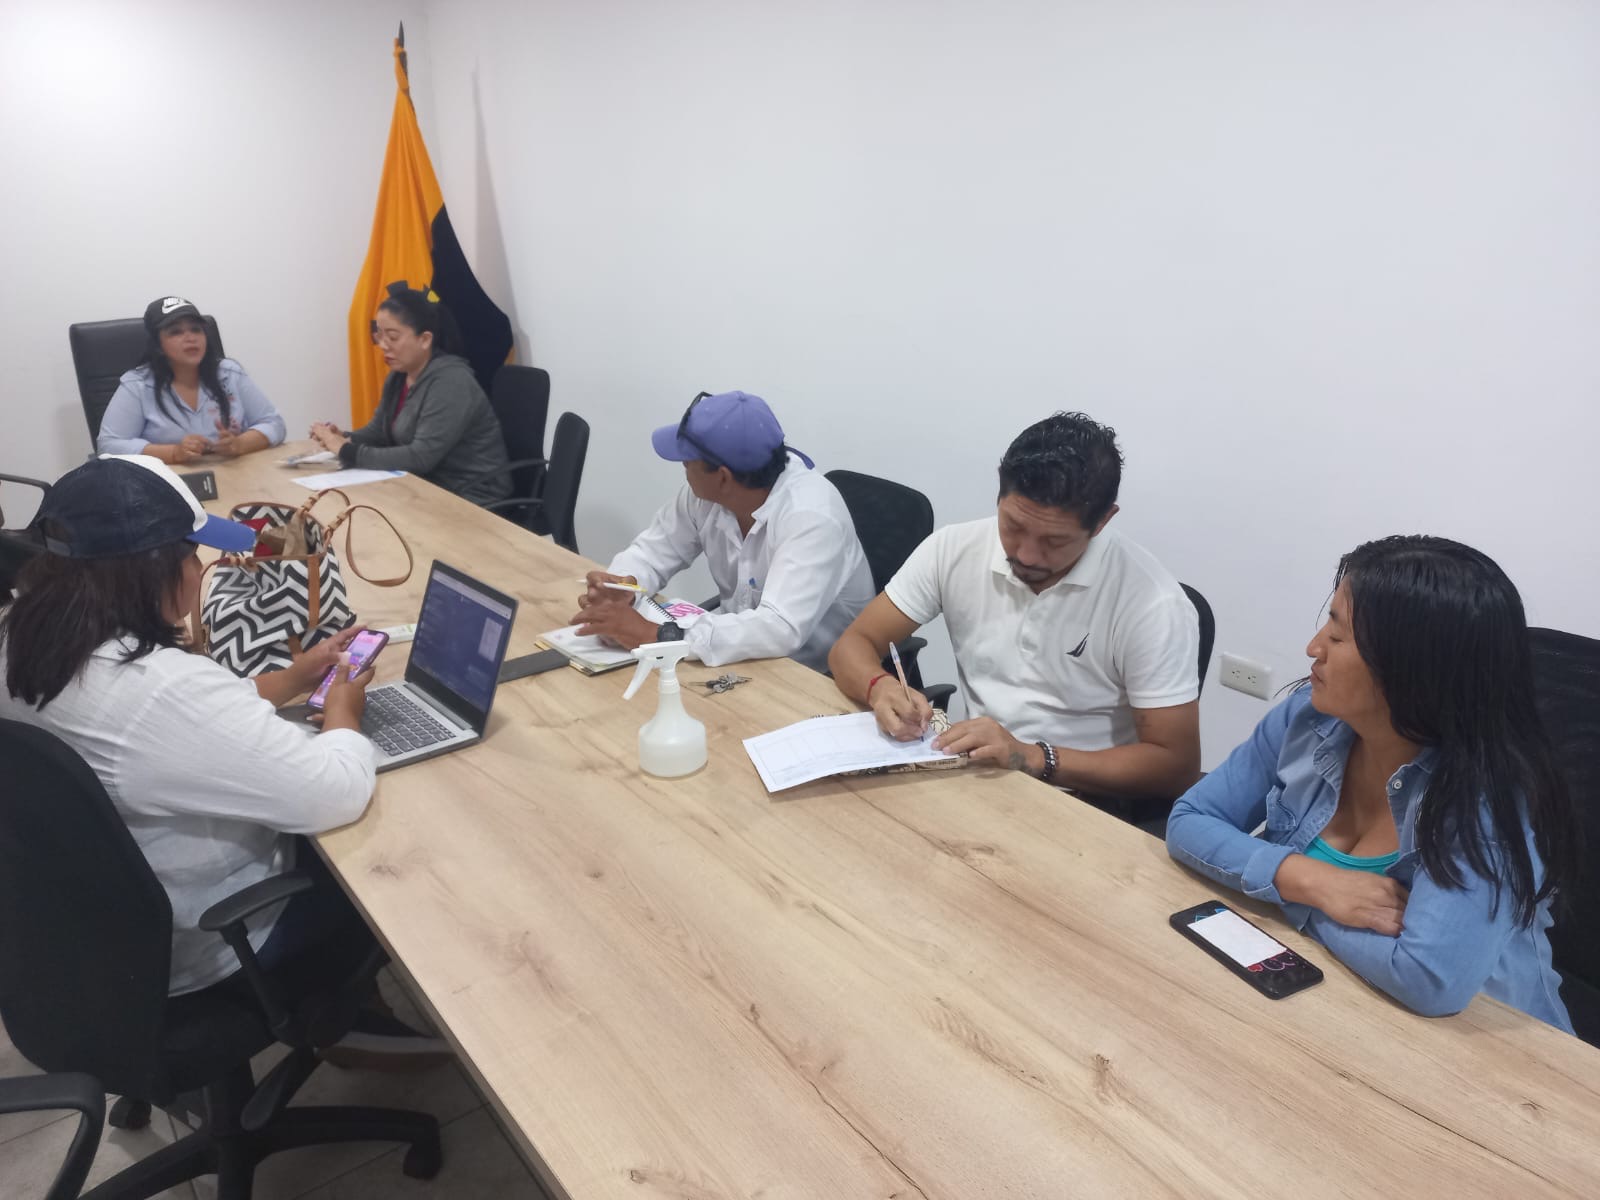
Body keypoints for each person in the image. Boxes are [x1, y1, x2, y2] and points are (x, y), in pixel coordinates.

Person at [0, 453, 379, 998]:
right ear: (151, 570)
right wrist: (343, 710)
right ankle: (355, 1002)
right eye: (193, 555)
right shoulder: (160, 688)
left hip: (96, 936)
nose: (202, 571)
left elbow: (182, 727)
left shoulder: (21, 634)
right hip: (216, 939)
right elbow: (335, 794)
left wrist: (295, 677)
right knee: (382, 864)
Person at [1166, 536, 1577, 1030]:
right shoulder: (1307, 719)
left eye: (1338, 637)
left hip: (1485, 1049)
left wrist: (1287, 897)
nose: (1314, 648)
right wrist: (1311, 882)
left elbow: (1427, 979)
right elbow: (1190, 820)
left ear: (1411, 667)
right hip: (1332, 1004)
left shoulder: (1483, 801)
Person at [828, 412, 1201, 798]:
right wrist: (879, 687)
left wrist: (1034, 756)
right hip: (977, 776)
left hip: (1085, 799)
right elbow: (852, 645)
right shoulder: (953, 549)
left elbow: (1175, 766)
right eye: (1013, 526)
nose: (1026, 555)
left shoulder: (1152, 604)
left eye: (1054, 541)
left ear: (1103, 521)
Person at [571, 390, 874, 672]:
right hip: (738, 656)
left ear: (723, 478)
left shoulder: (812, 516)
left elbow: (779, 627)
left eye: (687, 461)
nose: (682, 466)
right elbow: (652, 552)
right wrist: (624, 587)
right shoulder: (705, 496)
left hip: (816, 675)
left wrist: (659, 635)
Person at [310, 284, 510, 506]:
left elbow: (421, 457)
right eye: (379, 335)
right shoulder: (399, 376)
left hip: (470, 496)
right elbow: (378, 432)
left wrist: (346, 450)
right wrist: (343, 437)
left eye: (392, 337)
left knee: (363, 513)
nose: (383, 345)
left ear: (424, 340)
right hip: (424, 485)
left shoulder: (452, 382)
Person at [97, 296, 287, 462]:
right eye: (176, 332)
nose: (190, 338)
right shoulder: (137, 385)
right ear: (158, 345)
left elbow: (274, 423)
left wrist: (239, 444)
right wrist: (173, 453)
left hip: (234, 473)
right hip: (168, 480)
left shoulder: (229, 373)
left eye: (196, 329)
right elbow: (108, 445)